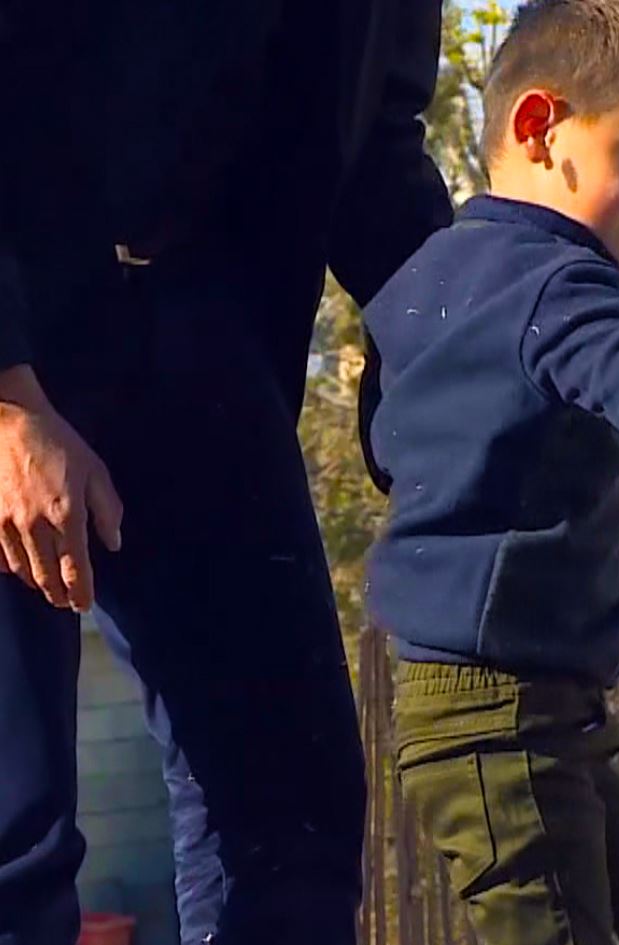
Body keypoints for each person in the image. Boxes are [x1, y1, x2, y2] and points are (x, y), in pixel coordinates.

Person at [0, 2, 452, 942]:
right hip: (21, 318)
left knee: (293, 814)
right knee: (16, 831)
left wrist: (449, 346)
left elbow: (376, 138)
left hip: (201, 328)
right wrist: (6, 399)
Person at [359, 2, 619, 942]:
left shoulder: (427, 280)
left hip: (526, 718)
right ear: (540, 129)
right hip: (499, 722)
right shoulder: (559, 282)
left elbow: (387, 443)